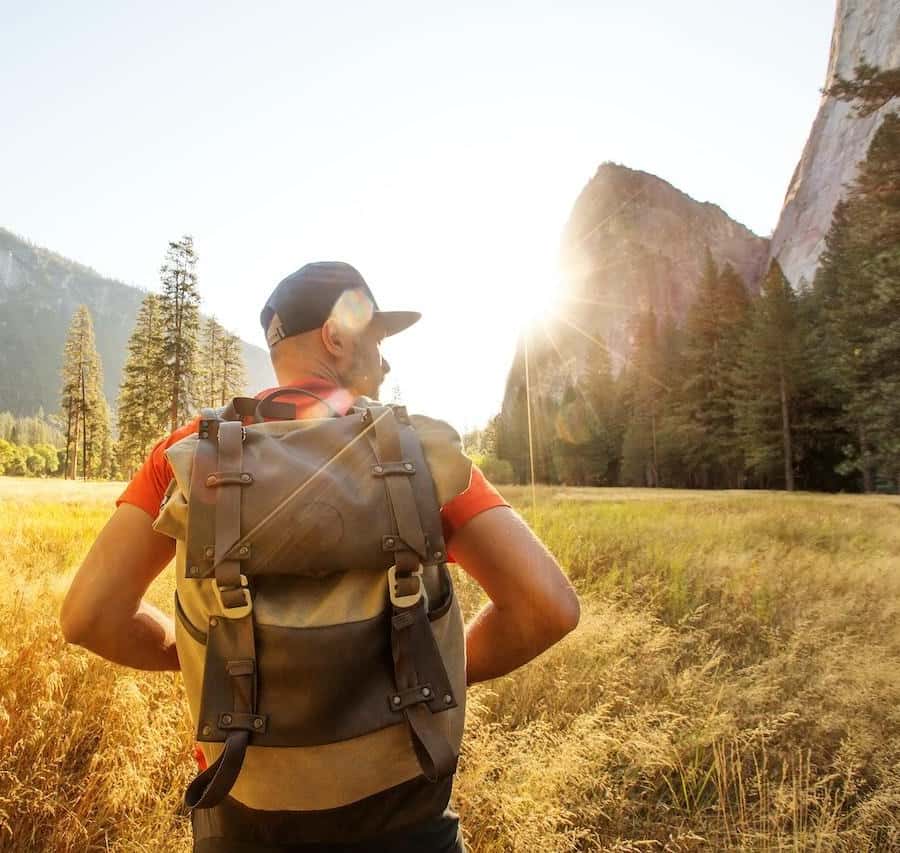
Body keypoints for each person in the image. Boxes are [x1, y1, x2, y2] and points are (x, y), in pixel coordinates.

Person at [60, 261, 581, 853]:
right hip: (405, 813)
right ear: (335, 336)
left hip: (243, 813)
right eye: (377, 338)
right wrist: (433, 666)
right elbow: (549, 607)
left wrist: (213, 662)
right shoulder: (416, 454)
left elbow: (88, 617)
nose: (386, 360)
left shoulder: (186, 456)